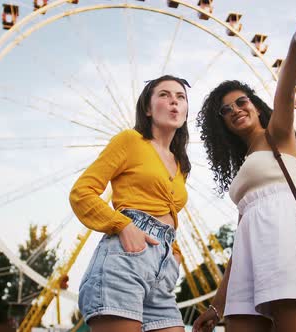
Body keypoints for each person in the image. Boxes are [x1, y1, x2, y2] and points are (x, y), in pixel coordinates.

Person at [192, 1, 296, 332]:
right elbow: (240, 240)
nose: (236, 109)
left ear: (254, 104)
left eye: (242, 101)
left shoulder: (278, 135)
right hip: (247, 257)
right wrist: (216, 303)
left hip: (284, 241)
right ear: (221, 125)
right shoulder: (244, 169)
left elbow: (285, 89)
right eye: (226, 110)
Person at [70, 75, 191, 332]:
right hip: (125, 261)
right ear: (147, 108)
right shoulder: (129, 141)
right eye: (164, 95)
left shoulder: (181, 163)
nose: (174, 102)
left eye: (181, 97)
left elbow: (167, 215)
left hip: (163, 270)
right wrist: (122, 225)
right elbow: (82, 192)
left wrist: (175, 256)